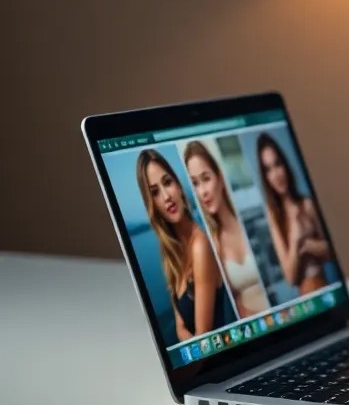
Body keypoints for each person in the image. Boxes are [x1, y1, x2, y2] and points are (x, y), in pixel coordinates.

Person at [135, 148, 232, 342]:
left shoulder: (200, 245)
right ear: (151, 203)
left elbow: (204, 341)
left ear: (179, 185)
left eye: (167, 182)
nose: (166, 197)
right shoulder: (170, 252)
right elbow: (180, 326)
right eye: (155, 192)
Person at [182, 140, 271, 318]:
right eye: (195, 184)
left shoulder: (252, 223)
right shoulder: (213, 244)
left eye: (206, 179)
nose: (202, 192)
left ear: (220, 178)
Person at [255, 132, 332, 295]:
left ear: (285, 165)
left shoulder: (307, 204)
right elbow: (290, 277)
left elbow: (330, 251)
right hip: (306, 295)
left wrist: (309, 246)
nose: (276, 174)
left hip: (325, 289)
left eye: (277, 164)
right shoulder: (274, 216)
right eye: (268, 169)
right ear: (265, 176)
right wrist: (296, 239)